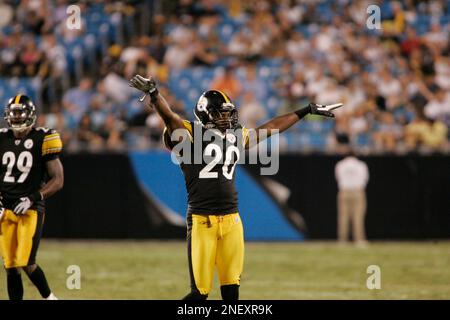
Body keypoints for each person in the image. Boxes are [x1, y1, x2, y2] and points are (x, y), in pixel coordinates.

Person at [129, 74, 342, 300]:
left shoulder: (235, 136)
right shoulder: (188, 133)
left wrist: (305, 110)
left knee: (231, 294)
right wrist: (154, 94)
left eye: (229, 113)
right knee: (198, 296)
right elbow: (169, 117)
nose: (227, 118)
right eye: (221, 113)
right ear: (206, 114)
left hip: (232, 221)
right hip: (203, 222)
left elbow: (271, 127)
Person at [0, 95, 64, 300]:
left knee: (25, 260)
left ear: (31, 114)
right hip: (6, 210)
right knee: (10, 265)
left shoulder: (44, 137)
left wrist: (32, 197)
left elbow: (58, 180)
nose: (16, 118)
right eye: (13, 113)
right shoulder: (2, 138)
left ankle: (50, 298)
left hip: (31, 209)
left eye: (20, 113)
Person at [334, 151, 369, 246]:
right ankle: (359, 240)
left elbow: (338, 178)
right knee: (358, 216)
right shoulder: (361, 165)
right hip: (358, 192)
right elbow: (365, 178)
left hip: (344, 191)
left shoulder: (340, 165)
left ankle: (342, 240)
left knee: (343, 216)